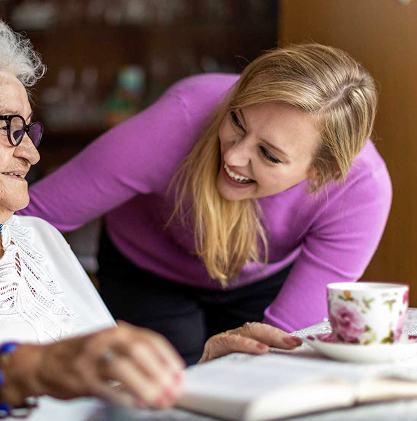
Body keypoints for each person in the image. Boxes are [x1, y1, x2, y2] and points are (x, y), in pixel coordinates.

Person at [0, 18, 301, 421]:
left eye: (30, 129)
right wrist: (34, 368)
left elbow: (104, 387)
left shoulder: (38, 238)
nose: (30, 152)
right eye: (11, 129)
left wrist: (198, 372)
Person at [20, 43, 392, 365]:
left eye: (268, 154)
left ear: (321, 173)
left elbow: (284, 347)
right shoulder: (180, 118)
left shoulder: (361, 190)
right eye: (237, 121)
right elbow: (29, 216)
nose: (234, 157)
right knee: (162, 392)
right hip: (148, 270)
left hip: (262, 280)